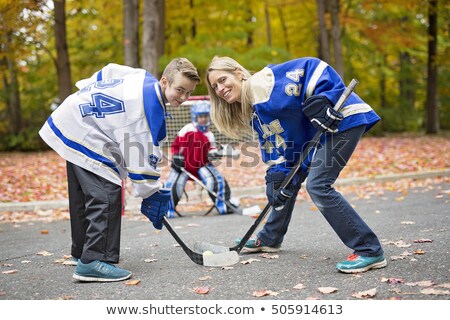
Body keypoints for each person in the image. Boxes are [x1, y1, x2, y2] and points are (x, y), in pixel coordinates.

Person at [205, 56, 387, 274]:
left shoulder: (263, 83)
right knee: (286, 182)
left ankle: (369, 250)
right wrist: (277, 178)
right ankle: (270, 238)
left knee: (318, 185)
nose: (220, 88)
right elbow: (279, 149)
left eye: (223, 80)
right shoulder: (257, 113)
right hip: (317, 138)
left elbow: (312, 66)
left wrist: (325, 99)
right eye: (215, 86)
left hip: (341, 121)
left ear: (239, 73)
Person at [39, 58, 200, 282]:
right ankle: (93, 260)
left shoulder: (142, 77)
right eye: (180, 90)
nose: (183, 98)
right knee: (106, 191)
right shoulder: (145, 112)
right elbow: (140, 162)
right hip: (86, 129)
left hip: (71, 116)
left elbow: (108, 70)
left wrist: (86, 91)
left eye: (189, 93)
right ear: (165, 82)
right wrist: (152, 194)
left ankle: (82, 252)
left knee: (84, 192)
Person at [165, 101, 239, 217]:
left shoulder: (210, 135)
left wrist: (220, 152)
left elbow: (211, 152)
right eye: (200, 116)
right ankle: (165, 209)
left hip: (201, 166)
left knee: (216, 180)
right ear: (195, 117)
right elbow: (176, 145)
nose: (203, 119)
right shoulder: (187, 129)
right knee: (173, 184)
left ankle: (224, 205)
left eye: (205, 116)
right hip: (183, 165)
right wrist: (176, 157)